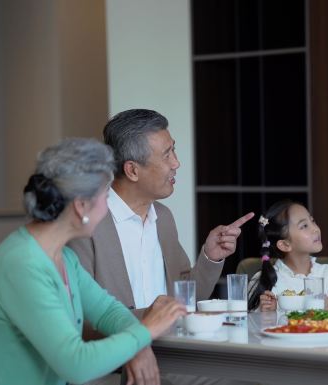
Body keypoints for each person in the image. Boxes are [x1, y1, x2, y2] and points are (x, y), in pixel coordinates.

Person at [0, 138, 186, 385]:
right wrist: (146, 331)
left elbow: (108, 311)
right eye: (106, 197)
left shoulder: (64, 257)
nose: (108, 208)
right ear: (81, 206)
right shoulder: (21, 266)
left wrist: (139, 347)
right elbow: (77, 364)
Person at [67, 109, 253, 383]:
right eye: (167, 155)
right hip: (117, 364)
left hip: (176, 354)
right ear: (132, 170)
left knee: (253, 375)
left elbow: (185, 300)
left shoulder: (163, 218)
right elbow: (81, 321)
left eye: (173, 151)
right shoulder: (87, 225)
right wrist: (152, 320)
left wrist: (210, 257)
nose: (176, 163)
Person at [246, 200, 328, 312]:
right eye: (304, 226)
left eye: (312, 221)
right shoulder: (264, 279)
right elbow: (251, 323)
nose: (315, 229)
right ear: (285, 244)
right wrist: (268, 313)